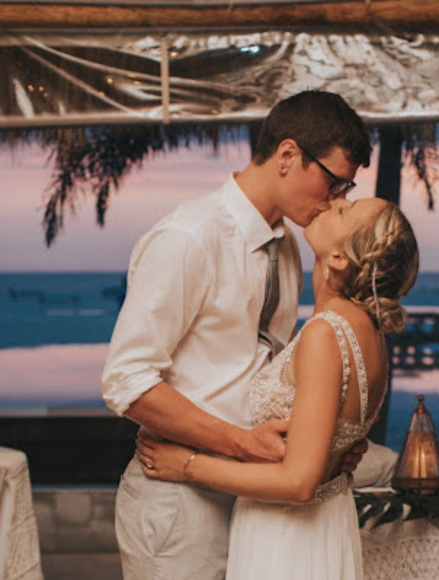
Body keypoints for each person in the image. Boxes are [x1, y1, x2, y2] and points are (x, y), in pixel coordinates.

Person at [101, 90, 372, 579]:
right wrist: (240, 443)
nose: (337, 199)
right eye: (333, 182)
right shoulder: (188, 238)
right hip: (179, 499)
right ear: (287, 155)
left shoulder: (287, 245)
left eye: (346, 188)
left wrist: (329, 445)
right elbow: (126, 380)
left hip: (256, 496)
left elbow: (276, 371)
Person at [136, 197, 420, 579]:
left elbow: (298, 482)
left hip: (286, 537)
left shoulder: (325, 335)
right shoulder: (371, 333)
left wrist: (188, 466)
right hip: (323, 523)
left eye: (344, 211)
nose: (336, 200)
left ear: (339, 258)